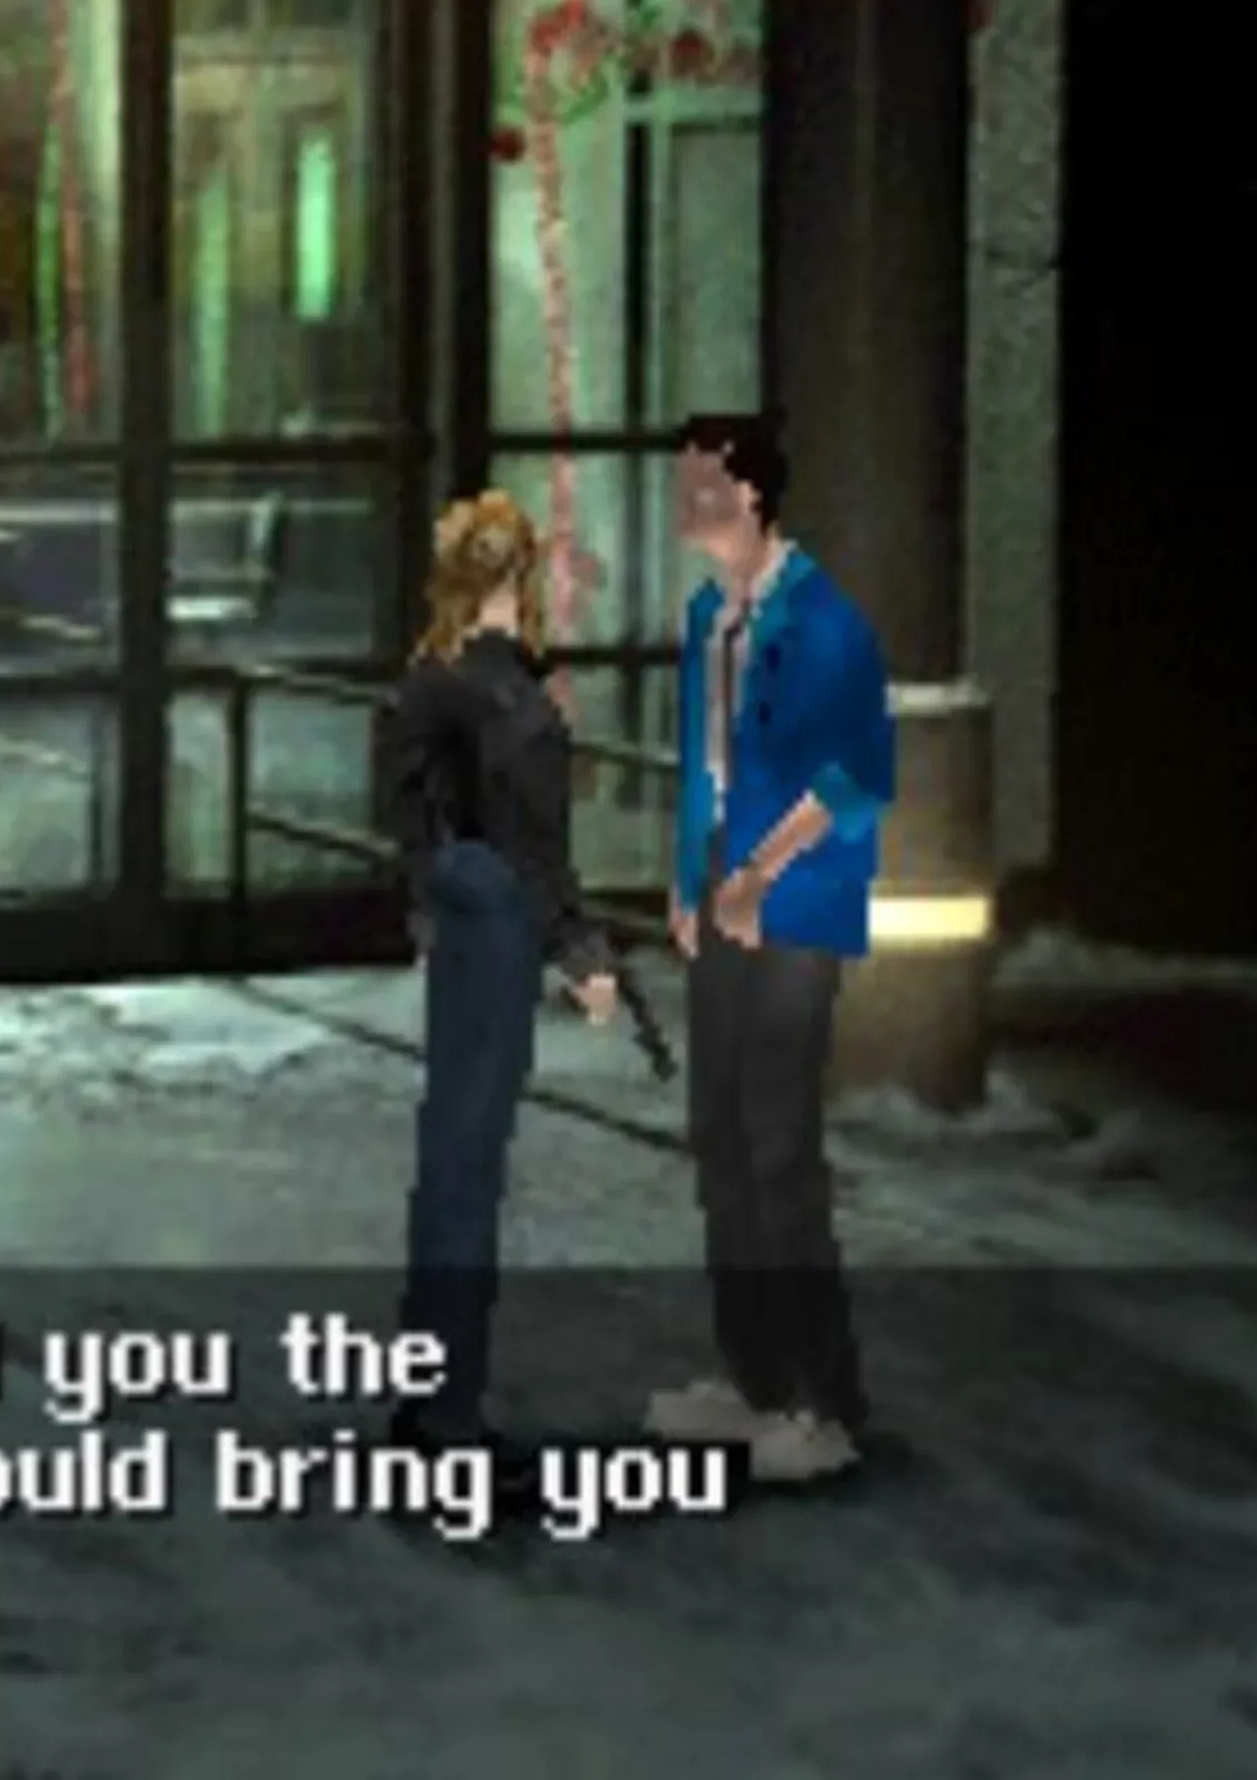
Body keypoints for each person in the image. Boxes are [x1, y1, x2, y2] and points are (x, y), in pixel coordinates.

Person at [645, 411, 895, 1485]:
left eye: (699, 483)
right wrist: (689, 878)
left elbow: (858, 776)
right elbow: (699, 765)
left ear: (750, 493)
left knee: (778, 1143)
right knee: (719, 1133)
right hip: (726, 890)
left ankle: (822, 1401)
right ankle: (754, 1380)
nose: (683, 501)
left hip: (796, 900)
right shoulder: (711, 615)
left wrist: (759, 874)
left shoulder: (824, 621)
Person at [384, 491, 620, 1453]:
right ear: (516, 574)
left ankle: (431, 1394)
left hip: (467, 919)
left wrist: (431, 902)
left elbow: (412, 817)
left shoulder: (432, 679)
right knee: (468, 1160)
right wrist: (580, 950)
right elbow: (534, 842)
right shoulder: (503, 692)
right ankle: (445, 1409)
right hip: (497, 925)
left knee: (454, 1152)